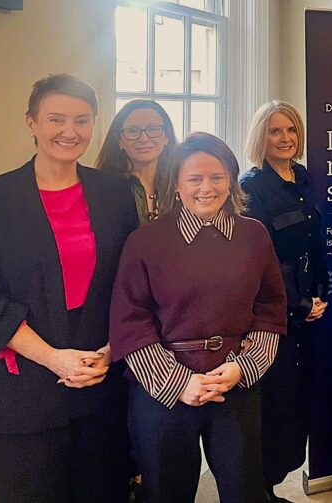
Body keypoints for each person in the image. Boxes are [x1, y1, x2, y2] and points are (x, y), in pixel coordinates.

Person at [0, 74, 138, 502]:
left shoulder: (115, 194)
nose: (69, 131)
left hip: (100, 380)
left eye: (82, 120)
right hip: (24, 392)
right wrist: (55, 359)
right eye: (56, 119)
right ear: (32, 123)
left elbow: (131, 283)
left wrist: (111, 349)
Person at [109, 132, 287, 502]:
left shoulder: (254, 235)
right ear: (176, 184)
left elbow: (270, 308)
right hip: (163, 389)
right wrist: (179, 383)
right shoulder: (146, 241)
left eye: (217, 177)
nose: (206, 188)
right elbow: (130, 321)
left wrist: (244, 367)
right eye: (194, 178)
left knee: (245, 490)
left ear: (231, 180)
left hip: (234, 383)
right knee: (165, 492)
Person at [240, 100, 328, 502]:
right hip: (274, 315)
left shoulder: (303, 178)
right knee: (271, 408)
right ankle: (260, 490)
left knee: (297, 405)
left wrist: (318, 295)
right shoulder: (252, 188)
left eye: (291, 130)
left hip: (308, 311)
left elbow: (314, 243)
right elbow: (262, 260)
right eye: (275, 131)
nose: (285, 138)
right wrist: (298, 305)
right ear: (261, 136)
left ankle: (271, 486)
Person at [95, 99, 178, 224]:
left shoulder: (180, 184)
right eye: (133, 131)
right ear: (119, 140)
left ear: (167, 136)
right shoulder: (102, 188)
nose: (144, 139)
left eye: (153, 129)